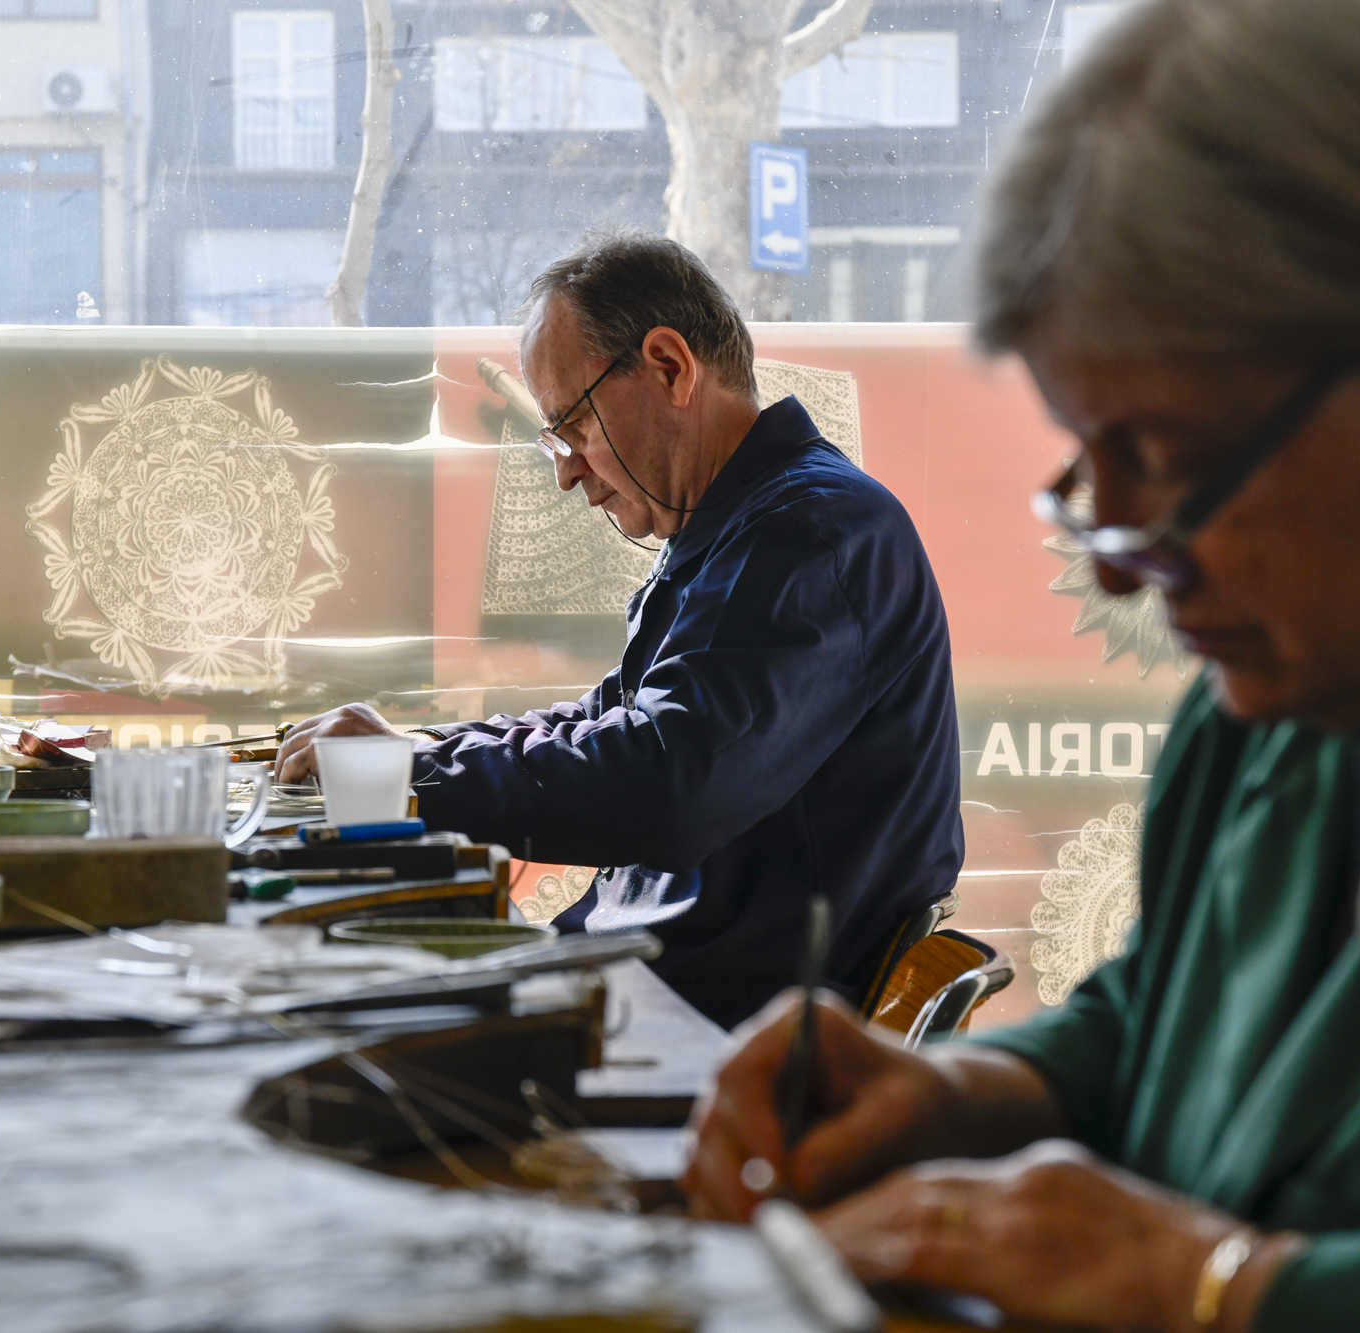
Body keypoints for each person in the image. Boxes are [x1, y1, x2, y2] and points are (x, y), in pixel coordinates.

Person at [682, 0, 1360, 1328]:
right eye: (1090, 467)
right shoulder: (1292, 702)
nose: (1122, 572)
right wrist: (961, 1093)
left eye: (1176, 459)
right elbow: (1174, 1020)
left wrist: (1216, 1289)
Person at [276, 232, 964, 1028]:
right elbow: (609, 721)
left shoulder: (813, 535)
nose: (566, 470)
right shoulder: (741, 529)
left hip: (725, 1027)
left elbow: (667, 781)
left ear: (669, 367)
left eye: (572, 424)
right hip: (669, 986)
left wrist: (412, 775)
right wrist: (423, 750)